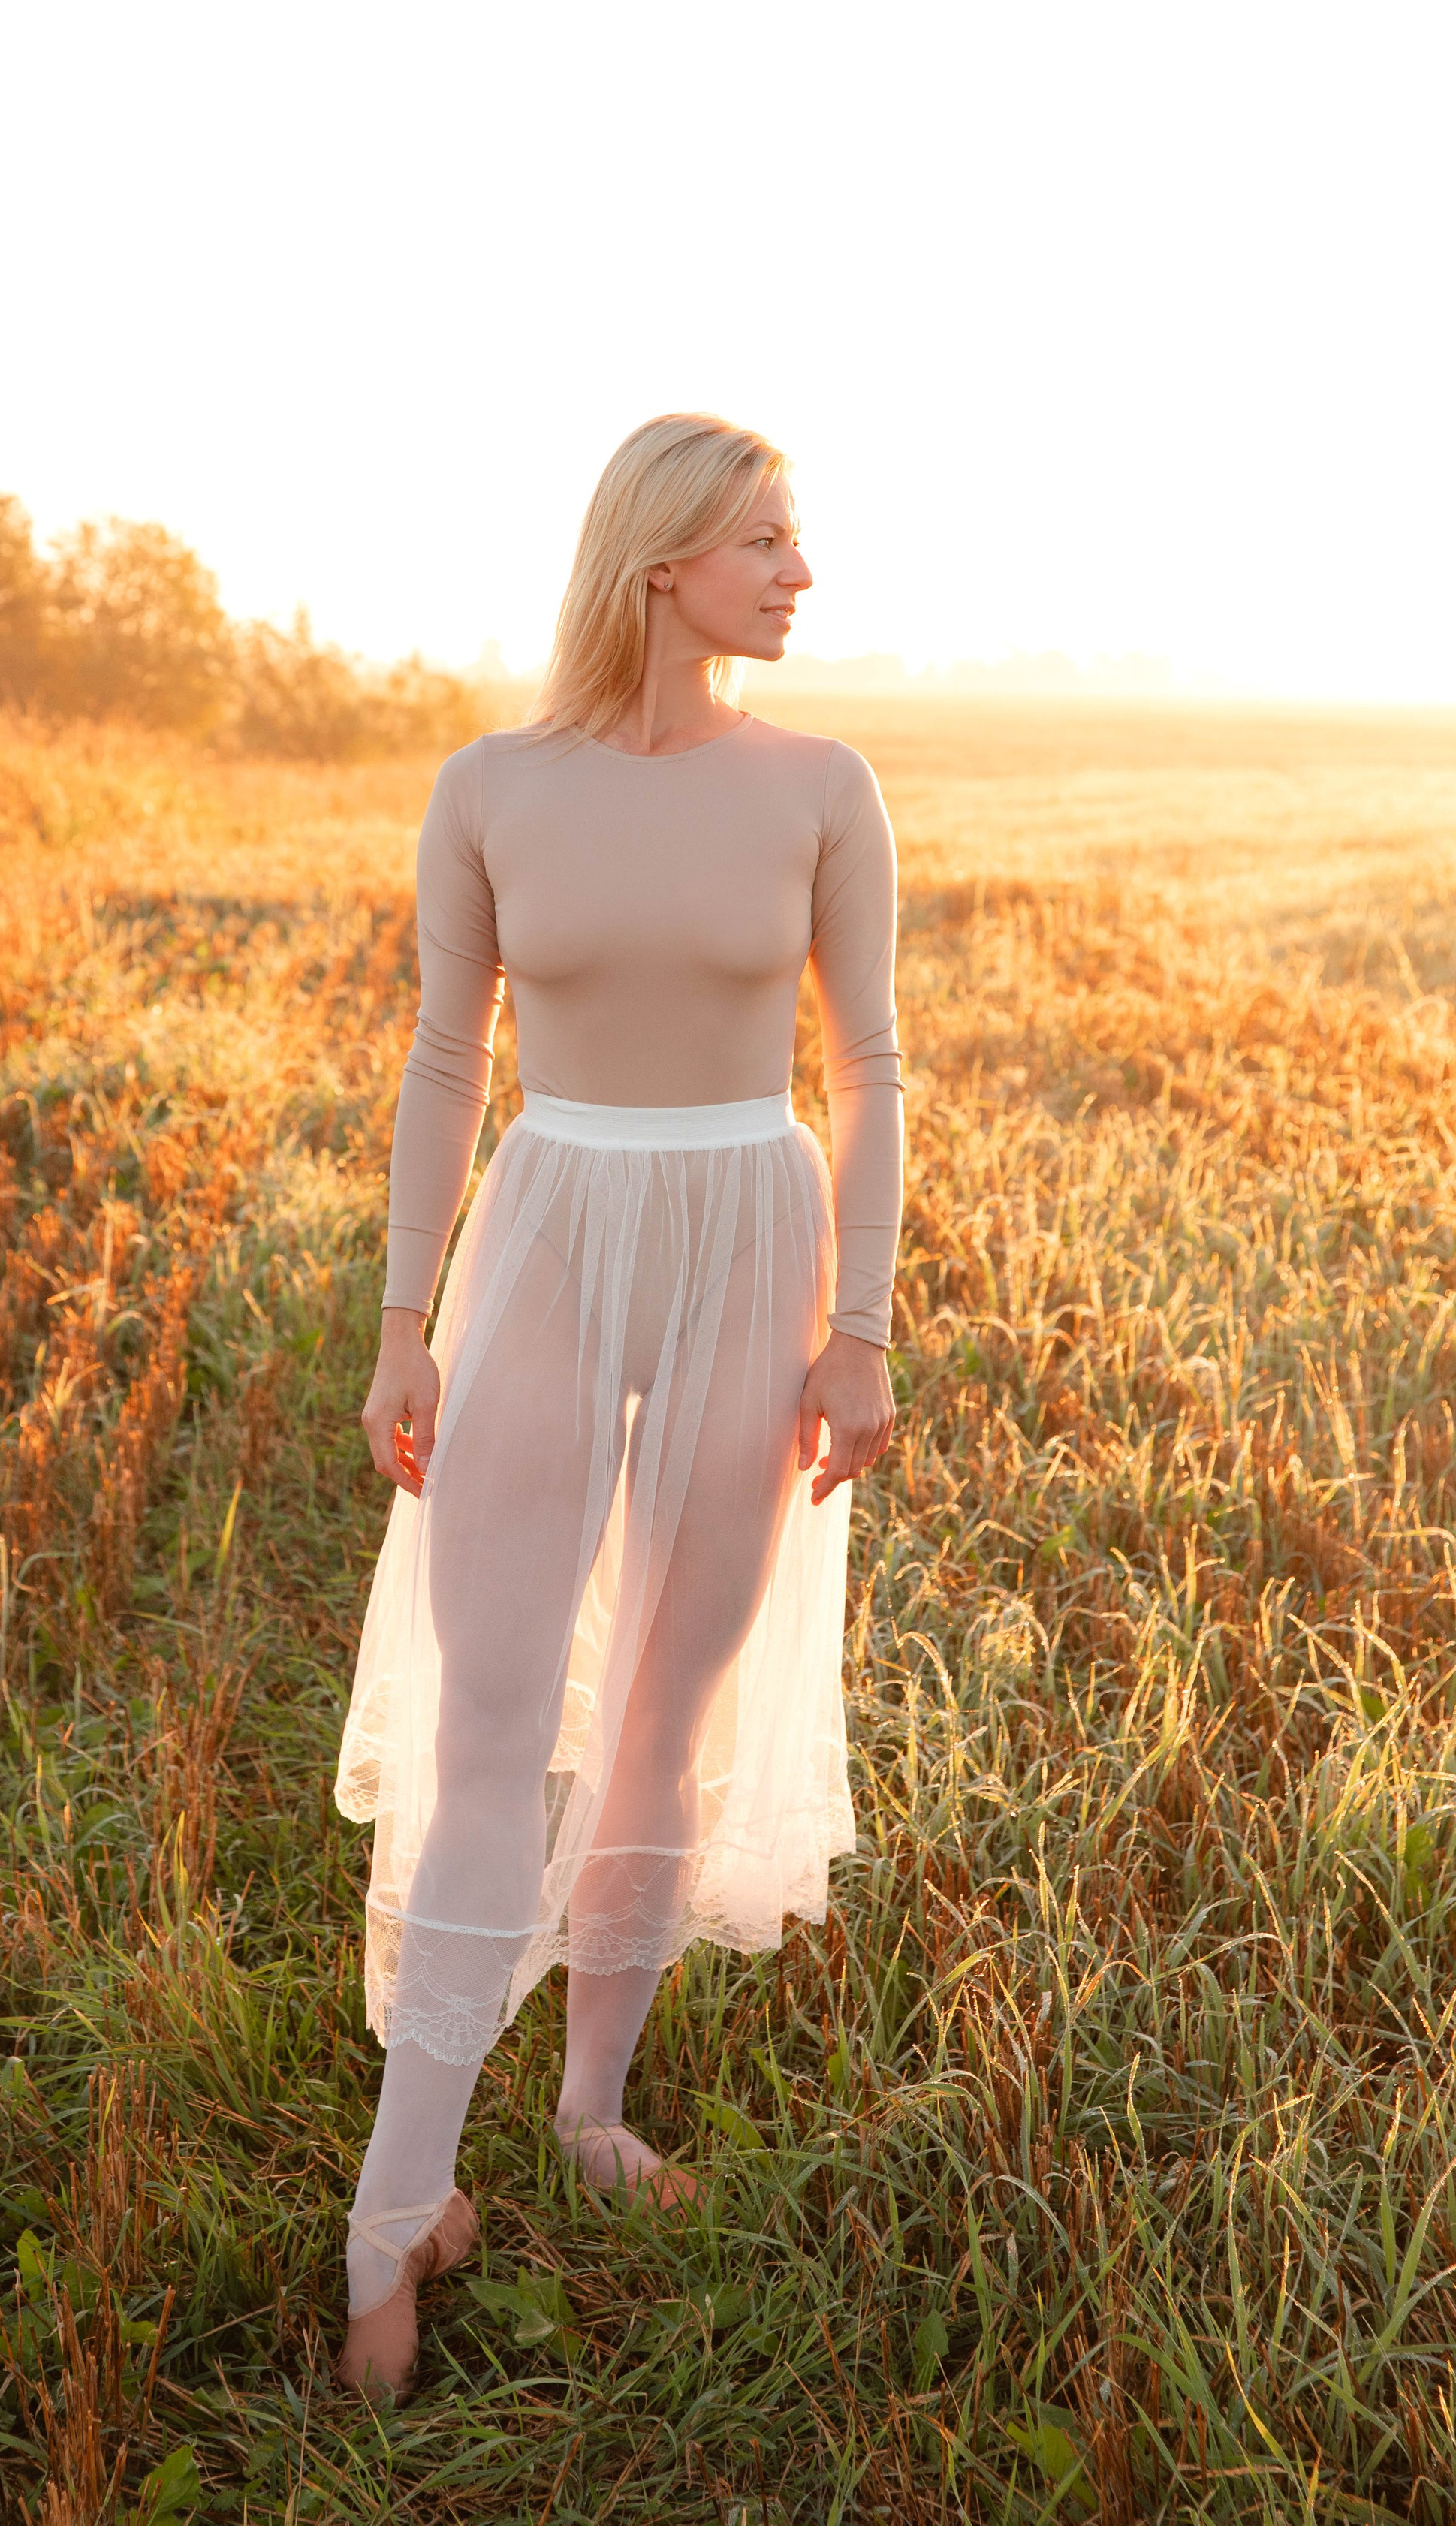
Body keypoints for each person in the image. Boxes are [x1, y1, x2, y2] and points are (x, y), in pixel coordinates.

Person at [333, 414, 904, 2401]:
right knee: (494, 1724)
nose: (801, 574)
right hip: (551, 1229)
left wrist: (867, 1331)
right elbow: (437, 1058)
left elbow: (875, 1077)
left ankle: (587, 2114)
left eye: (795, 539)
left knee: (668, 1707)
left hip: (758, 1244)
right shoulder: (491, 788)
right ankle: (391, 2212)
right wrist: (406, 1320)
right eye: (767, 540)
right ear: (665, 562)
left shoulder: (826, 790)